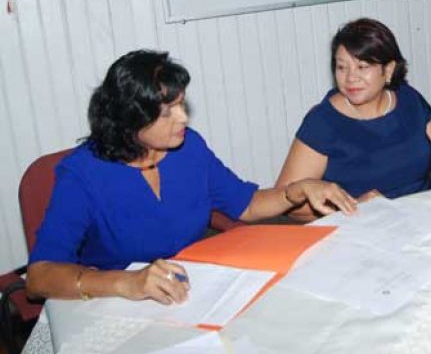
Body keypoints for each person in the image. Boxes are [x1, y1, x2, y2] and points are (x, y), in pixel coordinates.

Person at [26, 50, 357, 304]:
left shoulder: (189, 148)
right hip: (118, 303)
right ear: (131, 118)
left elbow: (247, 204)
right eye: (168, 111)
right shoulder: (83, 174)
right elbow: (40, 276)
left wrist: (298, 190)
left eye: (182, 105)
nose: (183, 117)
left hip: (193, 295)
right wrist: (129, 283)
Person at [275, 18, 431, 222]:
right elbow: (288, 201)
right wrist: (350, 209)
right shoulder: (323, 122)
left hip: (426, 216)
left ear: (388, 70)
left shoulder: (409, 100)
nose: (350, 78)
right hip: (362, 228)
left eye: (362, 67)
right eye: (341, 67)